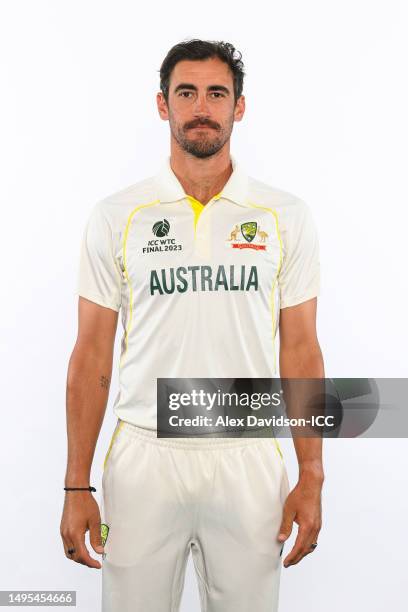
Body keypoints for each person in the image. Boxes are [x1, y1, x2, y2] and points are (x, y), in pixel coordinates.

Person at [60, 39, 325, 612]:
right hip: (143, 456)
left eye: (216, 93)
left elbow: (301, 350)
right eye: (187, 93)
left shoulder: (284, 217)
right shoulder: (117, 216)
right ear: (163, 105)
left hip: (247, 455)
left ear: (239, 107)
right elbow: (90, 355)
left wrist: (313, 473)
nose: (201, 106)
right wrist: (76, 483)